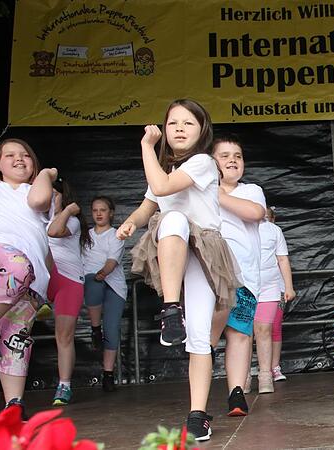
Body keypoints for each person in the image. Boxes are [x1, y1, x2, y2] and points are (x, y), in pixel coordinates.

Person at [117, 99, 240, 441]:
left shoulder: (202, 162)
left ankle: (198, 414)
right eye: (173, 123)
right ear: (165, 129)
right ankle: (172, 309)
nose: (180, 128)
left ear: (202, 130)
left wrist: (145, 146)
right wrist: (130, 222)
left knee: (200, 337)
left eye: (188, 123)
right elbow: (148, 205)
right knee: (170, 218)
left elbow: (161, 189)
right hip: (174, 248)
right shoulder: (165, 170)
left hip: (204, 252)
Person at [0, 138, 55, 418]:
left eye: (26, 155)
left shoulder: (39, 192)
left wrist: (45, 175)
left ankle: (14, 404)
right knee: (16, 265)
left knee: (16, 342)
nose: (19, 159)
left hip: (27, 283)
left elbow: (38, 200)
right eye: (9, 155)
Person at [208, 134, 265, 415]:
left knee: (240, 334)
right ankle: (200, 394)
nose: (232, 160)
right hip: (210, 277)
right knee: (206, 335)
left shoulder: (251, 190)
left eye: (238, 156)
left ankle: (236, 392)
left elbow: (255, 213)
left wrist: (218, 194)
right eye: (224, 155)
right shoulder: (198, 192)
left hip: (245, 278)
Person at [46, 179, 92, 405]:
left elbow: (54, 231)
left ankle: (64, 386)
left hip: (68, 280)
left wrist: (66, 210)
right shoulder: (34, 219)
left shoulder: (71, 220)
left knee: (63, 336)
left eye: (53, 194)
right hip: (44, 277)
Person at [83, 195, 127, 392]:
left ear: (111, 213)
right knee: (92, 284)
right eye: (95, 210)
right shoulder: (86, 235)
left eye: (103, 210)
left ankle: (108, 374)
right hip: (93, 281)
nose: (99, 214)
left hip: (113, 285)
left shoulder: (116, 235)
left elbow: (111, 263)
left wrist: (102, 274)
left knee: (112, 328)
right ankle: (94, 329)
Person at [256, 206, 295, 393]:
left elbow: (283, 260)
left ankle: (272, 369)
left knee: (271, 328)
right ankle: (246, 374)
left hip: (274, 288)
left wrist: (287, 287)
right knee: (246, 332)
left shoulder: (274, 232)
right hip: (247, 286)